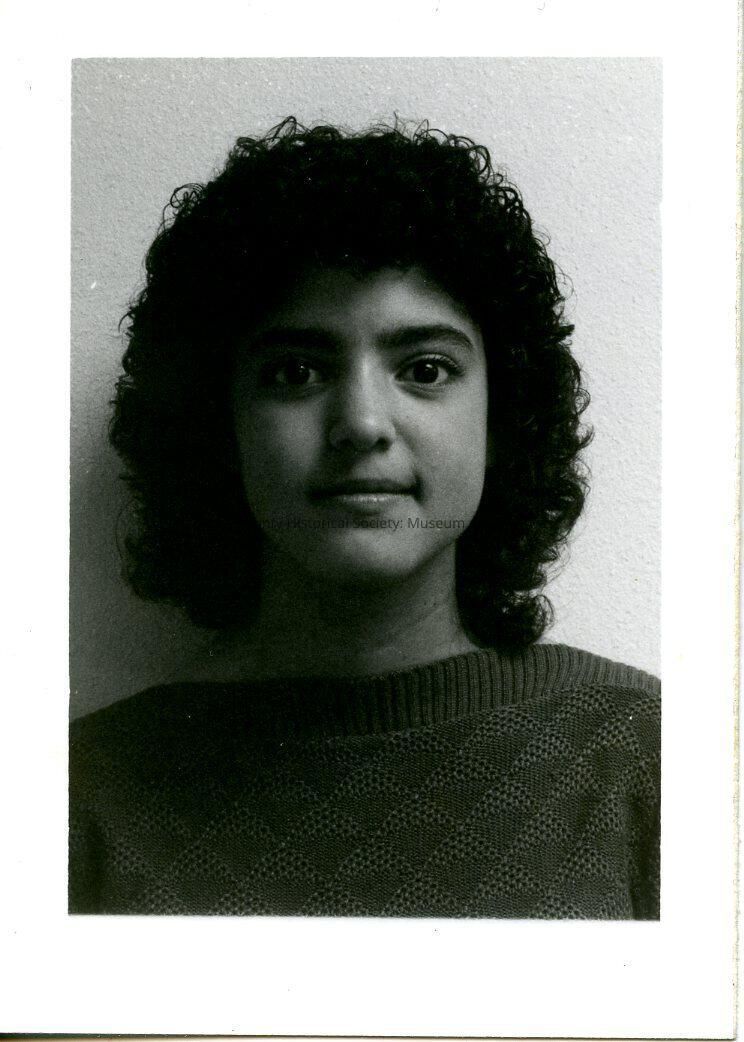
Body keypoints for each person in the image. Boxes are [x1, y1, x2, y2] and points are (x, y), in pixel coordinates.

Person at [69, 118, 660, 918]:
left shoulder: (645, 753)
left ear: (501, 422)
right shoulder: (76, 797)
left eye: (426, 369)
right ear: (220, 426)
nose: (362, 423)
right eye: (295, 372)